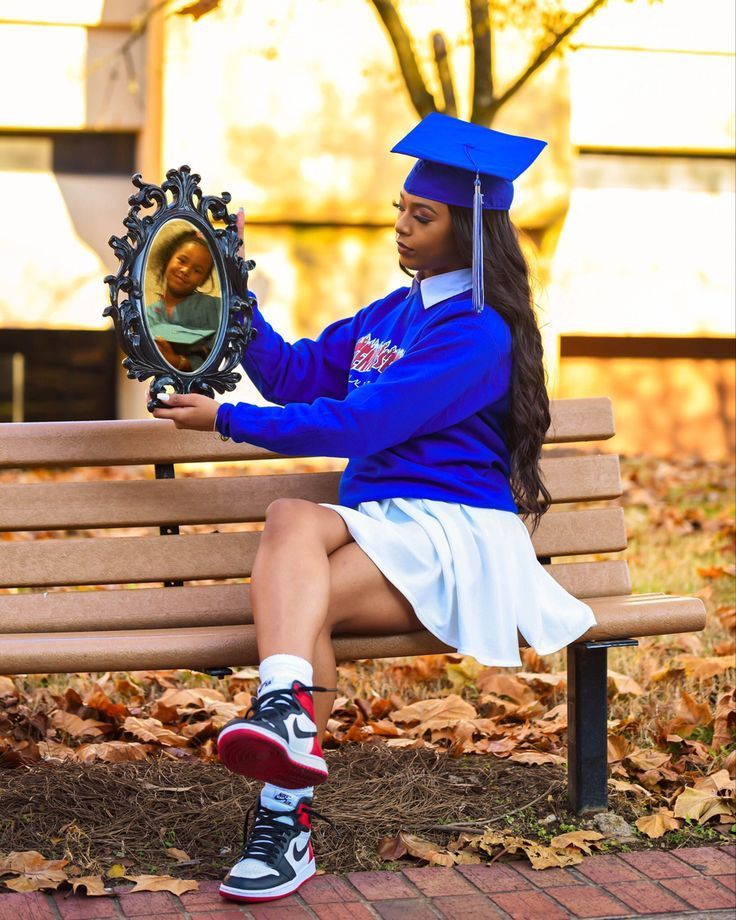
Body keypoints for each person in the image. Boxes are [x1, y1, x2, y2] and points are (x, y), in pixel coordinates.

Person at [153, 112, 597, 903]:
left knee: (303, 600)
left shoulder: (477, 334)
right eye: (400, 208)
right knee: (292, 519)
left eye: (420, 216)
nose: (401, 227)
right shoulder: (392, 314)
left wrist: (225, 420)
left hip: (453, 531)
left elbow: (363, 423)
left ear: (469, 232)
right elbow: (294, 376)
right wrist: (231, 280)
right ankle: (286, 727)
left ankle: (284, 826)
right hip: (387, 519)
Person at [146, 229, 220, 372]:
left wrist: (177, 361)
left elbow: (214, 359)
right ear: (168, 259)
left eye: (197, 270)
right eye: (182, 260)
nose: (185, 270)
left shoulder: (212, 307)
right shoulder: (148, 314)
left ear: (203, 280)